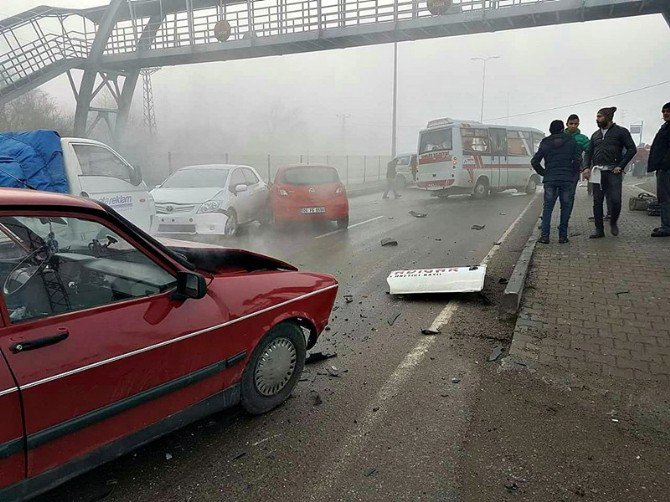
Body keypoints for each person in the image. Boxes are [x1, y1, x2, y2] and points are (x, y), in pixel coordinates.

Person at [582, 107, 637, 238]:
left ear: (608, 117)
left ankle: (613, 222)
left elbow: (631, 149)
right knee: (597, 201)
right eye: (597, 117)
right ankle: (599, 230)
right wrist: (586, 168)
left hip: (614, 172)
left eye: (600, 116)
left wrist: (621, 165)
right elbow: (588, 152)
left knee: (616, 200)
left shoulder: (621, 132)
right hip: (597, 172)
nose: (597, 119)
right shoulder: (595, 135)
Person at [531, 120, 582, 244]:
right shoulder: (571, 141)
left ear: (550, 129)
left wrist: (544, 173)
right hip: (566, 179)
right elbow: (578, 159)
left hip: (550, 179)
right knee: (565, 207)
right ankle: (563, 237)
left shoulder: (545, 142)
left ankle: (545, 236)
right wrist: (572, 172)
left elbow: (535, 161)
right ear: (562, 129)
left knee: (548, 208)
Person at [647, 102, 670, 237]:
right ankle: (666, 224)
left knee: (665, 198)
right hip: (663, 168)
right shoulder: (665, 127)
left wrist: (663, 164)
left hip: (666, 169)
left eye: (668, 111)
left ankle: (666, 227)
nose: (665, 113)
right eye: (664, 111)